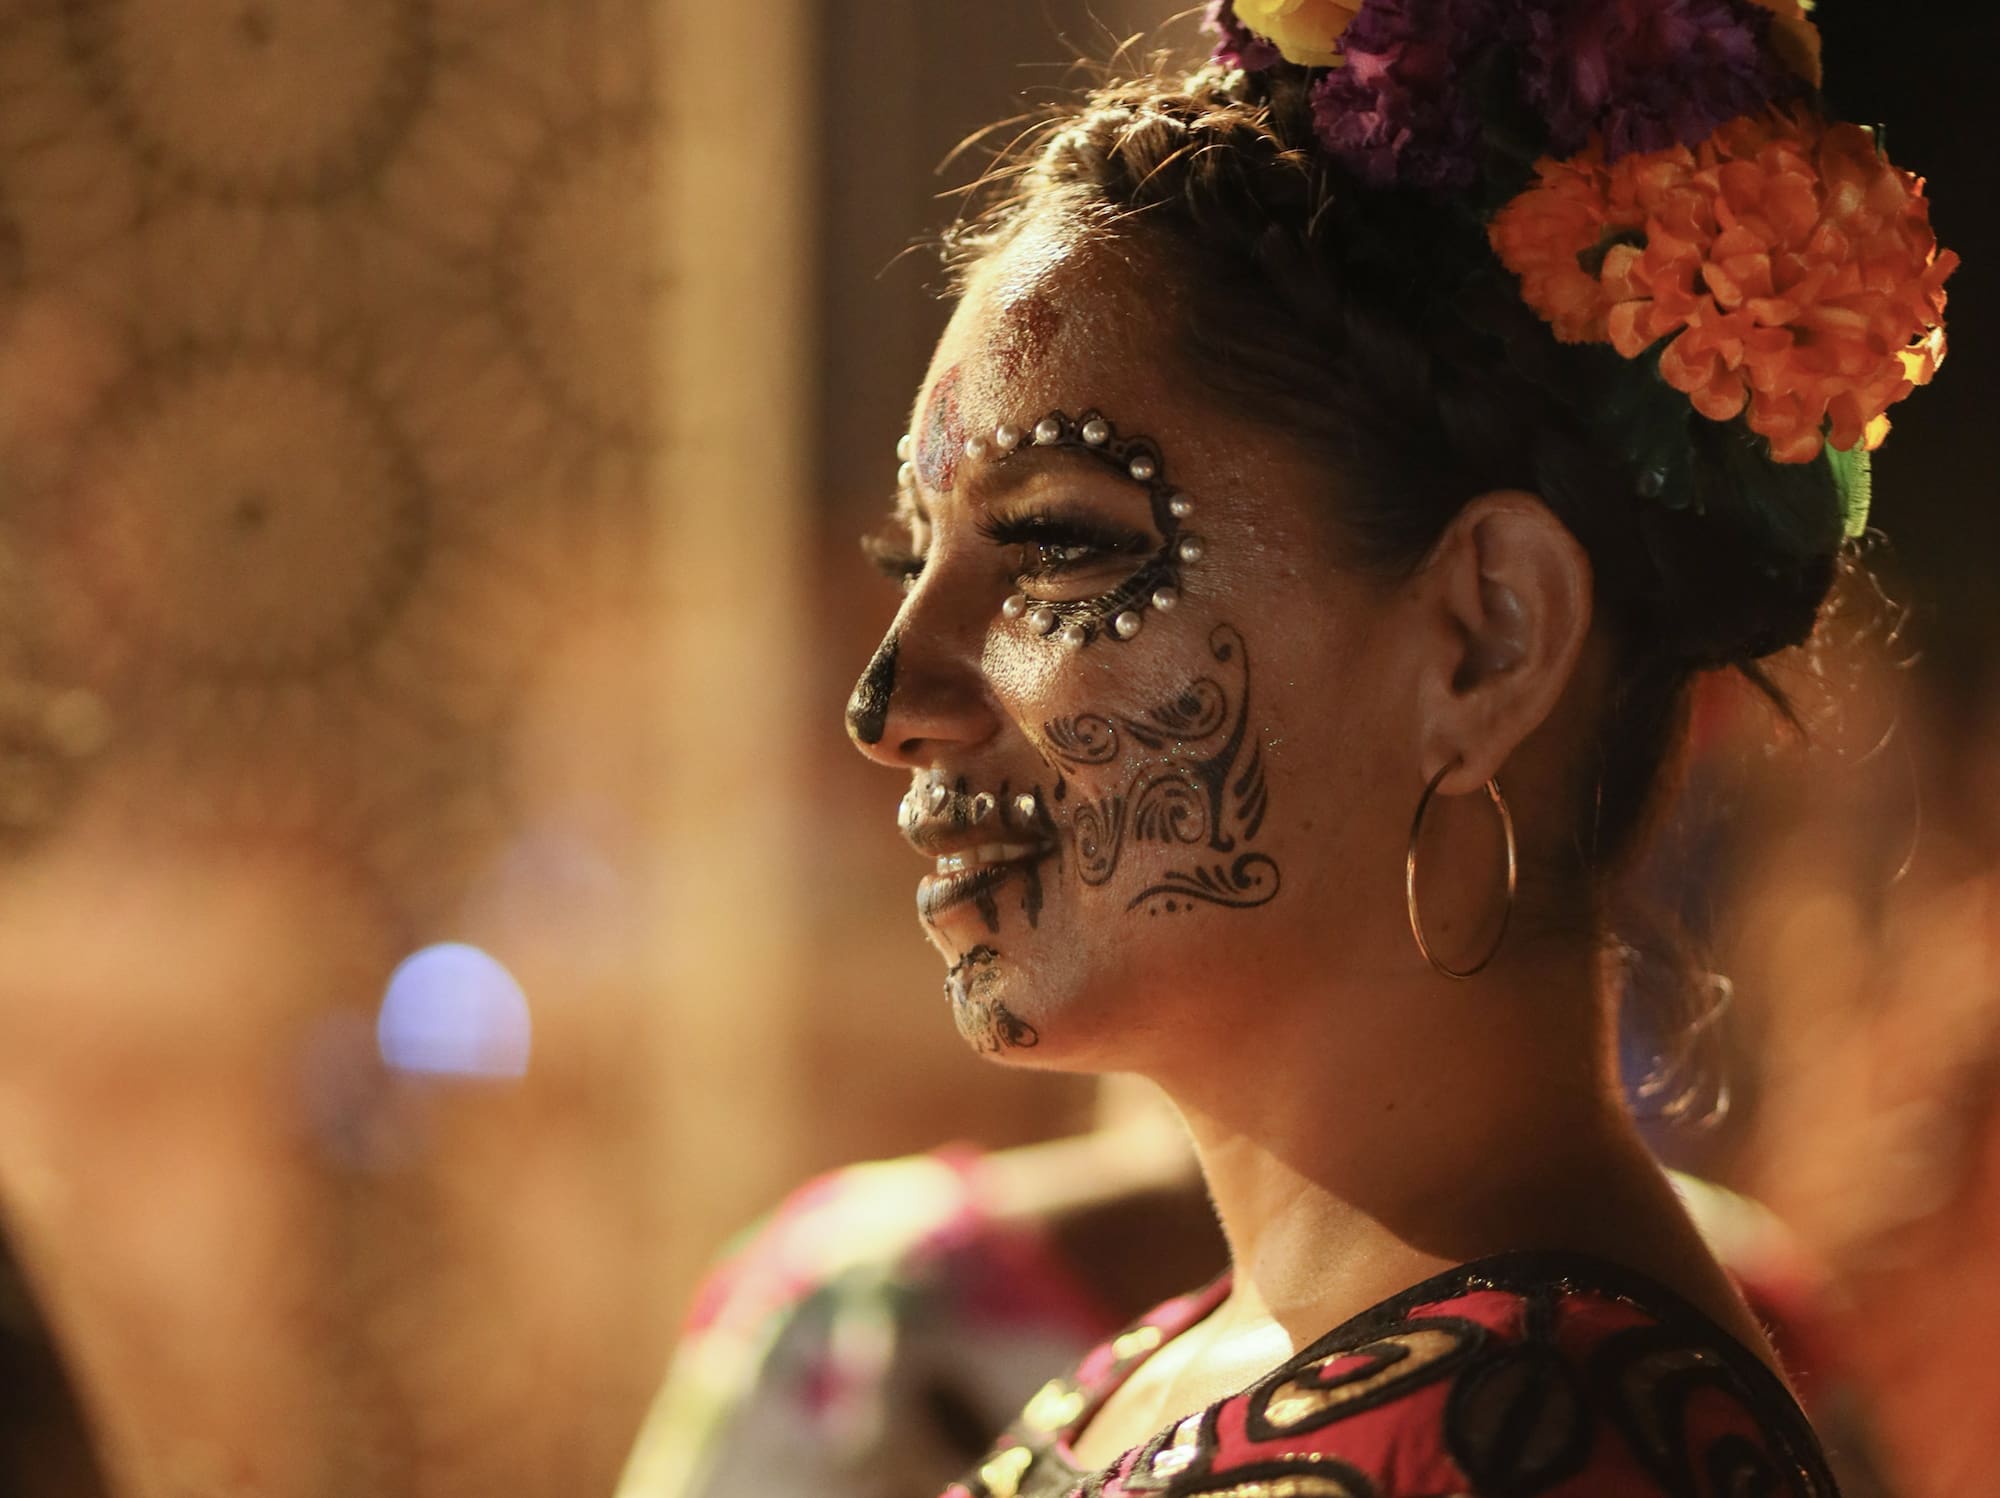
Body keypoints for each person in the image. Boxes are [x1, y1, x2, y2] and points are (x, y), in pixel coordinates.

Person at [836, 1, 1955, 1494]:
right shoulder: (1169, 1369)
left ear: (1483, 639)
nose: (892, 695)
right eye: (915, 554)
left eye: (1052, 545)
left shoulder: (1540, 1436)